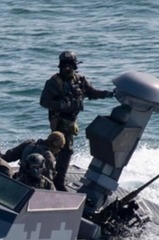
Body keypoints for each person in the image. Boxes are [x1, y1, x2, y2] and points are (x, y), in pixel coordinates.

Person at [40, 50, 113, 190]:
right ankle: (57, 182)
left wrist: (108, 94)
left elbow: (92, 93)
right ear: (60, 66)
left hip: (71, 122)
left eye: (70, 65)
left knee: (62, 151)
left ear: (75, 66)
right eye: (64, 65)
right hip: (59, 121)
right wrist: (62, 105)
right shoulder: (54, 83)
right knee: (65, 150)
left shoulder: (80, 80)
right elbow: (44, 101)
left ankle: (52, 175)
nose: (67, 68)